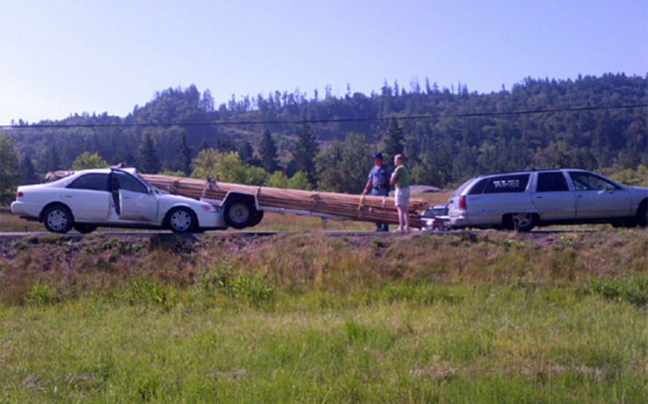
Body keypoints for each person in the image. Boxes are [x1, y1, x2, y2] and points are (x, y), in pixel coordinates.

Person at [362, 152, 391, 232]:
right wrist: (366, 189)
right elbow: (370, 180)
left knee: (384, 208)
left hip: (382, 189)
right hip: (374, 190)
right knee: (374, 208)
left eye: (376, 158)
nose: (374, 160)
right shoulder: (373, 169)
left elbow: (390, 180)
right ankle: (378, 226)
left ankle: (385, 227)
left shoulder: (385, 168)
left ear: (379, 159)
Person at [390, 154, 411, 233]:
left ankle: (401, 227)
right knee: (405, 209)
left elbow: (392, 181)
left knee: (400, 208)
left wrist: (392, 176)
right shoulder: (405, 169)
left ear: (399, 160)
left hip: (400, 189)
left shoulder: (398, 168)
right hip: (407, 189)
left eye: (395, 160)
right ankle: (407, 226)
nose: (394, 161)